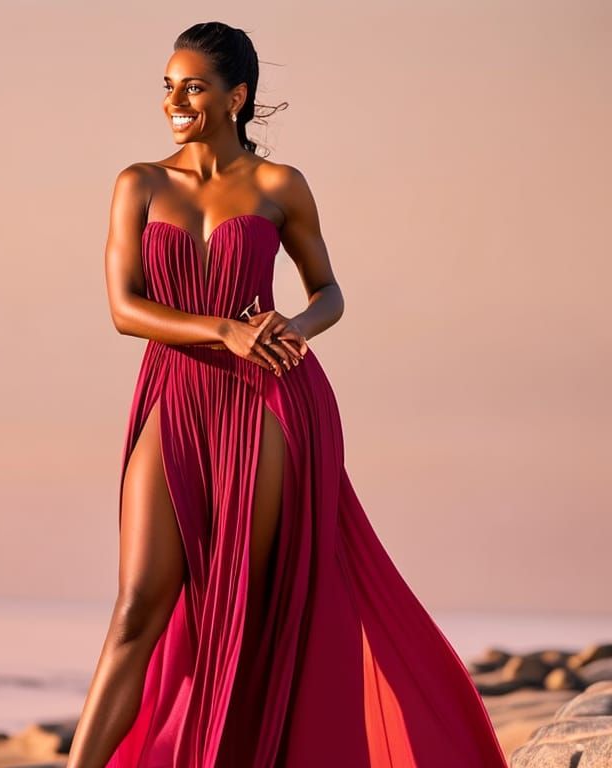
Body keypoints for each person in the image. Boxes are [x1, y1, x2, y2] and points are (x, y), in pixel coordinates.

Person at [66, 20, 509, 768]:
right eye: (168, 86)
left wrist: (294, 327)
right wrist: (222, 331)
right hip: (176, 393)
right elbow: (123, 309)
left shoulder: (280, 186)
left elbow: (330, 291)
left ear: (236, 97)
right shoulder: (138, 183)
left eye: (193, 86)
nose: (176, 99)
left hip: (270, 402)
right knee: (139, 602)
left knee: (251, 604)